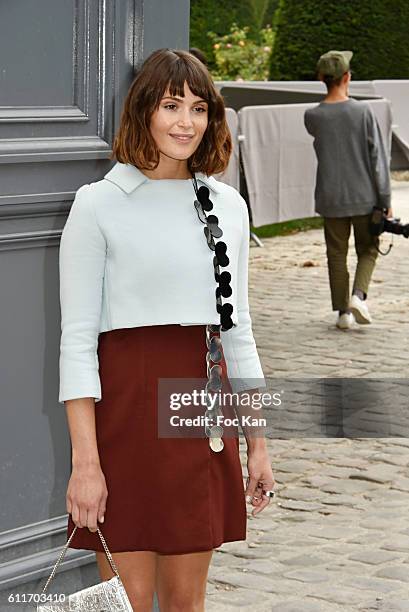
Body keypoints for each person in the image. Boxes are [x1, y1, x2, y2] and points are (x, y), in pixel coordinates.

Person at [58, 48, 275, 612]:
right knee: (124, 605)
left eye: (199, 108)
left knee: (186, 605)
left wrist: (258, 441)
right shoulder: (98, 204)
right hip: (123, 419)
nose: (186, 122)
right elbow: (78, 343)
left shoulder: (226, 205)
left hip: (198, 416)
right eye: (172, 105)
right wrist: (86, 464)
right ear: (143, 111)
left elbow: (239, 330)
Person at [304, 50, 392, 330]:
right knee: (368, 249)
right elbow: (378, 158)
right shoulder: (363, 112)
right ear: (347, 77)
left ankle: (343, 313)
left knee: (336, 255)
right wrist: (385, 198)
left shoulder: (313, 116)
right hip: (364, 196)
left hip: (330, 197)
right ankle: (358, 296)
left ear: (321, 78)